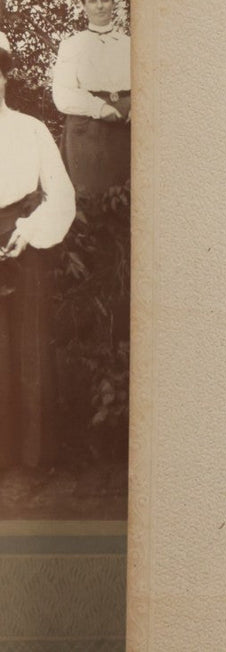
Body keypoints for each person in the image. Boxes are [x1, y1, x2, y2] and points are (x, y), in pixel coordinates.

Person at [0, 32, 77, 472]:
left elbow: (62, 195)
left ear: (6, 77)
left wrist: (27, 232)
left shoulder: (32, 129)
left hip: (26, 244)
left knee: (28, 349)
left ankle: (31, 461)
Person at [51, 0, 130, 195]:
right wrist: (99, 107)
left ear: (113, 2)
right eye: (93, 0)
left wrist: (138, 105)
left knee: (125, 201)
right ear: (83, 4)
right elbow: (63, 94)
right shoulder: (72, 45)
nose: (100, 6)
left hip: (125, 130)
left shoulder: (129, 44)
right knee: (91, 201)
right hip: (88, 133)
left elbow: (148, 83)